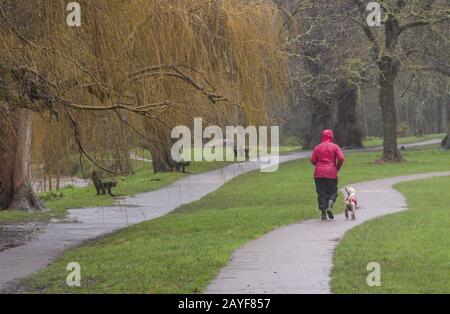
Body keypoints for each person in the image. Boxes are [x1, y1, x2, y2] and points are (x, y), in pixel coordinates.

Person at [310, 130, 345, 220]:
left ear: (323, 136)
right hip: (331, 173)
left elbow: (313, 160)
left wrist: (318, 165)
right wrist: (337, 168)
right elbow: (341, 158)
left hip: (319, 174)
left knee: (321, 193)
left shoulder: (317, 147)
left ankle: (323, 213)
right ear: (331, 136)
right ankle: (330, 204)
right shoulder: (335, 147)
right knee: (333, 192)